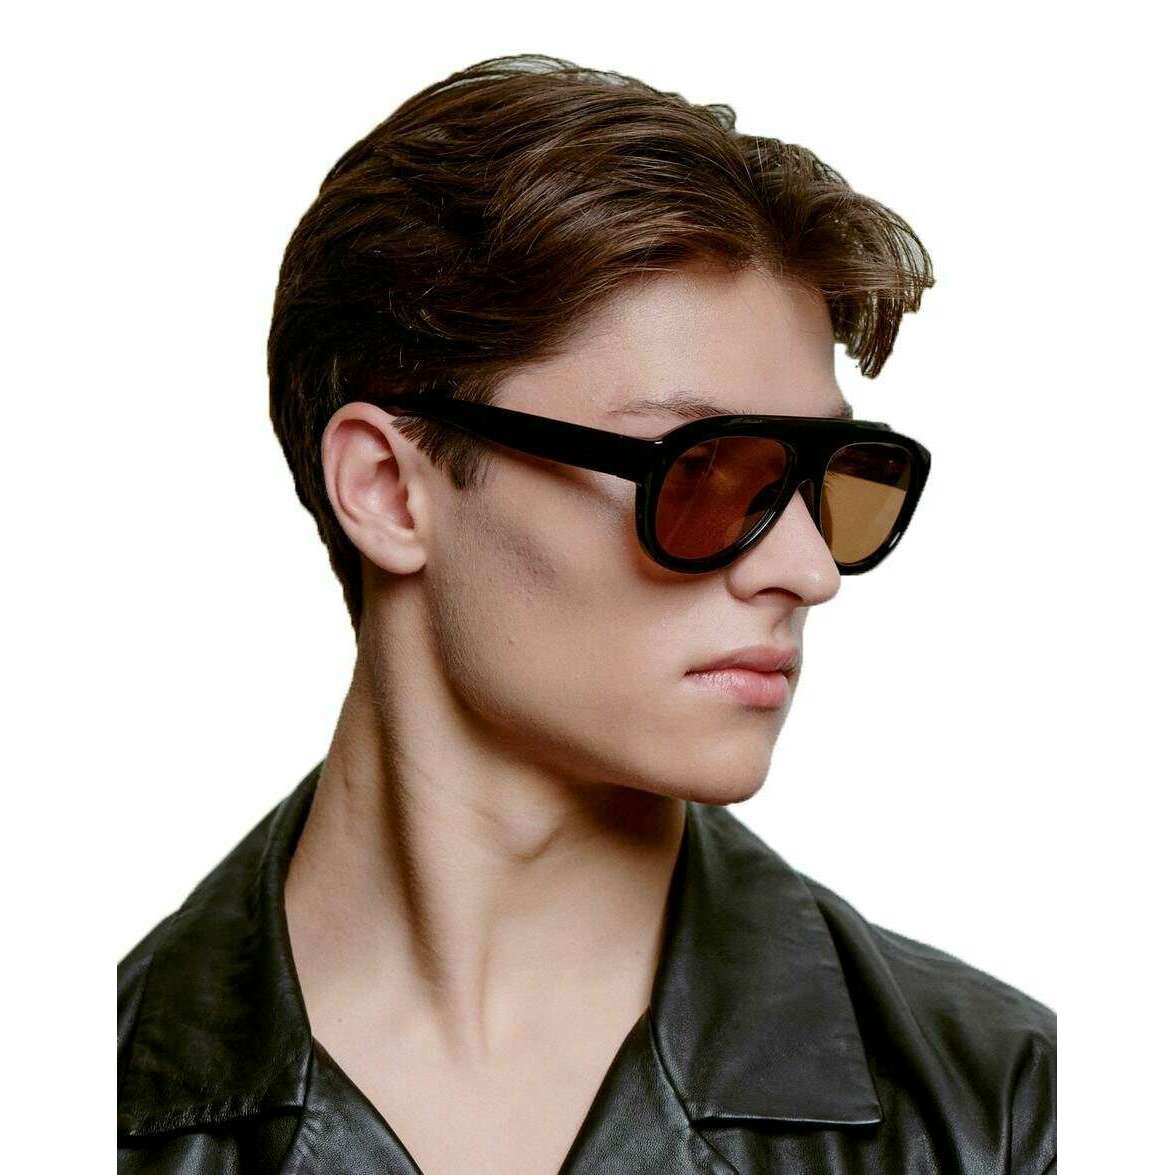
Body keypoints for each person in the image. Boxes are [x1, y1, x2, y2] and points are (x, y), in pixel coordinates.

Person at [117, 53, 1056, 1175]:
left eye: (832, 480)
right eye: (702, 470)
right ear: (386, 488)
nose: (809, 570)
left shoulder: (1004, 1114)